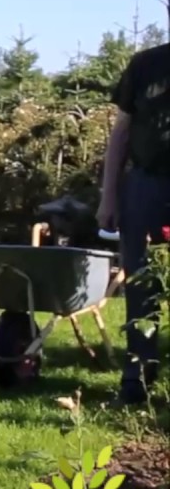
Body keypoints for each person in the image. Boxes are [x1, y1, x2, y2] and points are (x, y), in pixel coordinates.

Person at [96, 40, 170, 407]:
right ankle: (137, 380)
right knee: (141, 281)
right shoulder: (146, 64)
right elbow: (121, 132)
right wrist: (108, 196)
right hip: (147, 184)